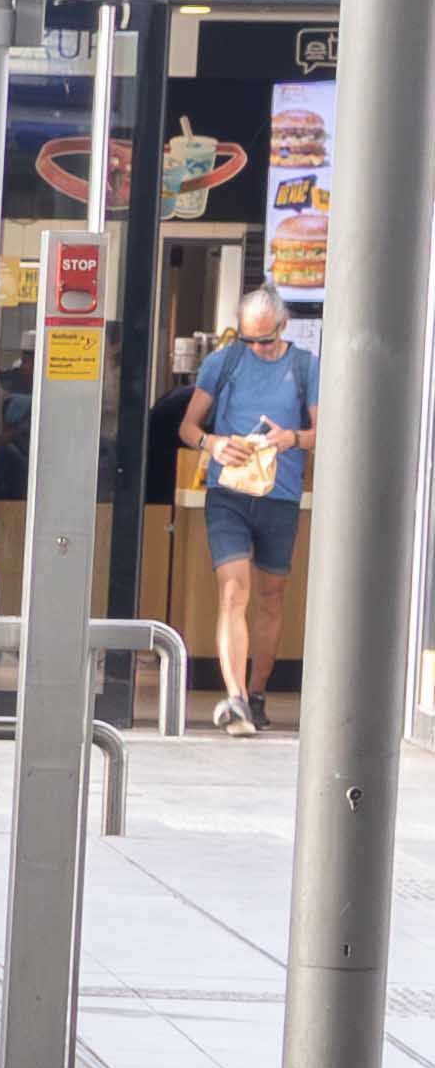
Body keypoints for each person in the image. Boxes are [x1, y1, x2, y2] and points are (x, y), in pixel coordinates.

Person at [185, 284, 319, 733]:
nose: (258, 347)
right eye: (250, 340)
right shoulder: (222, 362)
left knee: (271, 597)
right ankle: (236, 697)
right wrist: (214, 442)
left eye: (265, 339)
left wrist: (292, 439)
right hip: (229, 495)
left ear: (283, 326)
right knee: (232, 592)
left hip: (280, 496)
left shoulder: (304, 367)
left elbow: (328, 430)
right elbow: (188, 425)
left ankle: (257, 692)